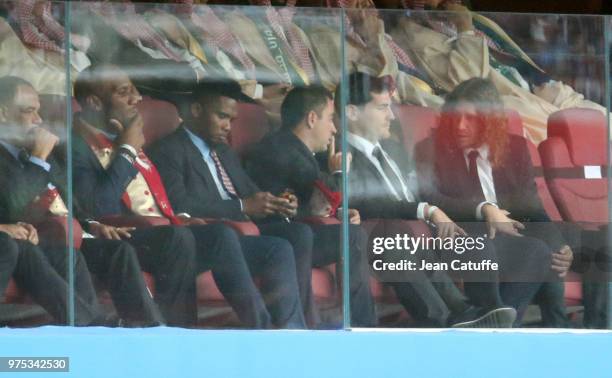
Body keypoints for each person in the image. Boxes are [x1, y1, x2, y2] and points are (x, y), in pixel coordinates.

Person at [246, 85, 517, 327]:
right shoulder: (310, 153)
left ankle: (465, 311)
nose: (334, 127)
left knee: (478, 241)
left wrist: (339, 210)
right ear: (313, 118)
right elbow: (340, 196)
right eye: (382, 107)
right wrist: (340, 182)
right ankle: (432, 320)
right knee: (391, 236)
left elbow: (320, 201)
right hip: (342, 236)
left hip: (403, 235)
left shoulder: (393, 150)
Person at [72, 65, 305, 329]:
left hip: (168, 231)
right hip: (124, 236)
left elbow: (162, 204)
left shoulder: (130, 136)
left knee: (275, 248)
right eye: (125, 92)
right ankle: (241, 330)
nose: (137, 98)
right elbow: (97, 206)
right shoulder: (76, 144)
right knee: (206, 236)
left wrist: (182, 218)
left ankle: (288, 331)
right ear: (93, 102)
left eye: (135, 90)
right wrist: (126, 149)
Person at [146, 79, 376, 327]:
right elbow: (180, 205)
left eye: (232, 120)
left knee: (296, 236)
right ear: (196, 111)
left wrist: (277, 203)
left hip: (245, 233)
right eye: (222, 117)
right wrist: (243, 207)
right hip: (212, 238)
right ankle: (288, 327)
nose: (228, 126)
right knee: (289, 239)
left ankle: (298, 329)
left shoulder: (223, 151)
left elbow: (250, 192)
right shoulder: (170, 150)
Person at [341, 72, 554, 324]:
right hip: (401, 236)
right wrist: (430, 211)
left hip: (433, 234)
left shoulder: (394, 149)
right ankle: (482, 318)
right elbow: (373, 200)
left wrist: (559, 243)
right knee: (472, 242)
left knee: (538, 250)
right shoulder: (341, 155)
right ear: (352, 113)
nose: (391, 115)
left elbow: (422, 192)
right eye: (383, 108)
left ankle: (496, 322)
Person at [0, 75, 166, 327]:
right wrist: (38, 158)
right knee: (29, 248)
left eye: (39, 112)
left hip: (57, 237)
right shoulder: (35, 152)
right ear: (2, 115)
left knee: (115, 250)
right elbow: (13, 204)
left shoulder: (38, 149)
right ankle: (90, 325)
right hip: (31, 238)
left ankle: (150, 328)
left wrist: (89, 225)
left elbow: (72, 204)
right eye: (28, 112)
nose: (39, 121)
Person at [414, 77, 574, 322]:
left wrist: (560, 247)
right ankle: (496, 324)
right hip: (460, 238)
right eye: (455, 117)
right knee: (503, 248)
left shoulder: (516, 148)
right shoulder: (431, 149)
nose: (460, 126)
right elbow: (431, 197)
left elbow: (532, 208)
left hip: (507, 238)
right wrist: (484, 209)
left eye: (472, 118)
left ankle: (513, 326)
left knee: (547, 251)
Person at [389, 0, 606, 143]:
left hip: (545, 96)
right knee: (587, 139)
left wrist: (553, 91)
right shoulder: (413, 37)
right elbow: (467, 83)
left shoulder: (482, 22)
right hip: (514, 107)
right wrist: (464, 28)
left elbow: (524, 63)